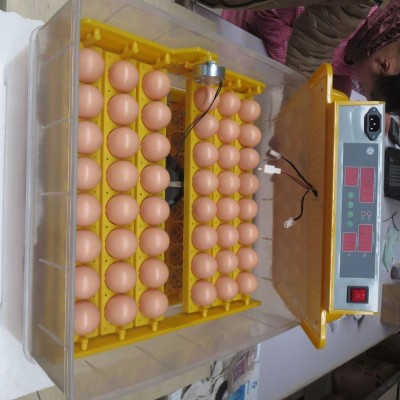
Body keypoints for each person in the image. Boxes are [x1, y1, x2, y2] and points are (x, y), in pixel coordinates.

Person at [218, 0, 400, 113]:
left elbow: (337, 65)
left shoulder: (367, 52)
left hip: (264, 66)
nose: (358, 85)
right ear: (383, 65)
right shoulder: (348, 15)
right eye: (363, 87)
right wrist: (287, 62)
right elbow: (269, 10)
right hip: (243, 30)